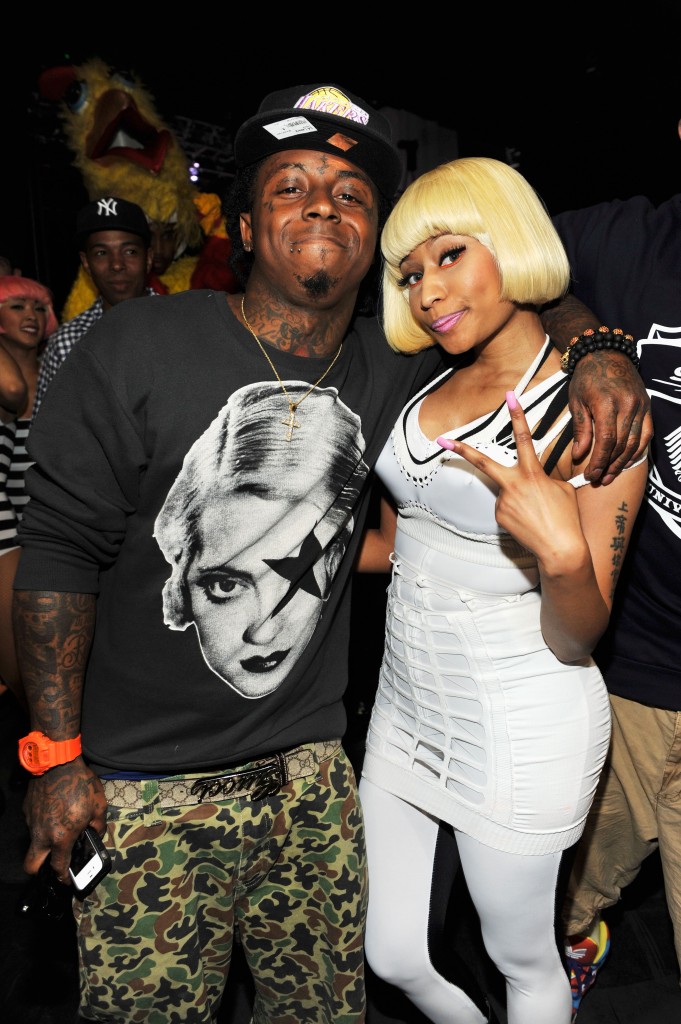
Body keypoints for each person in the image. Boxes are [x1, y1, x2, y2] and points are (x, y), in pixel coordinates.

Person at [12, 83, 650, 1024]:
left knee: (327, 1004)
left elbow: (513, 289)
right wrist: (54, 757)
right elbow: (60, 553)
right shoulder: (133, 342)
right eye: (291, 186)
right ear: (242, 226)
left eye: (350, 194)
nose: (322, 205)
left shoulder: (393, 365)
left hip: (313, 775)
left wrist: (597, 347)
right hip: (144, 787)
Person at [355, 156, 648, 1024]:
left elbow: (577, 635)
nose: (427, 291)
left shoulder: (590, 411)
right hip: (404, 710)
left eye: (449, 254)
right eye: (409, 273)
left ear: (510, 242)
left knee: (519, 959)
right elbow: (402, 542)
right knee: (392, 955)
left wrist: (560, 555)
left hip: (519, 721)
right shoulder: (425, 377)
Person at [539, 110, 681, 1020]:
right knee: (566, 894)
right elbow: (501, 266)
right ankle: (573, 947)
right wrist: (589, 340)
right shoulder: (624, 237)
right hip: (626, 672)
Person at [32, 195, 155, 417]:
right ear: (86, 263)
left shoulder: (184, 326)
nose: (116, 264)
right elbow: (50, 430)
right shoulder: (67, 343)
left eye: (130, 251)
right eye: (101, 253)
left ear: (148, 258)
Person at [0, 276, 58, 699]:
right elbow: (13, 390)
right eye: (17, 306)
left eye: (39, 307)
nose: (31, 316)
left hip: (41, 524)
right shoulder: (9, 381)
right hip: (9, 524)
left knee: (34, 662)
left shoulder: (57, 369)